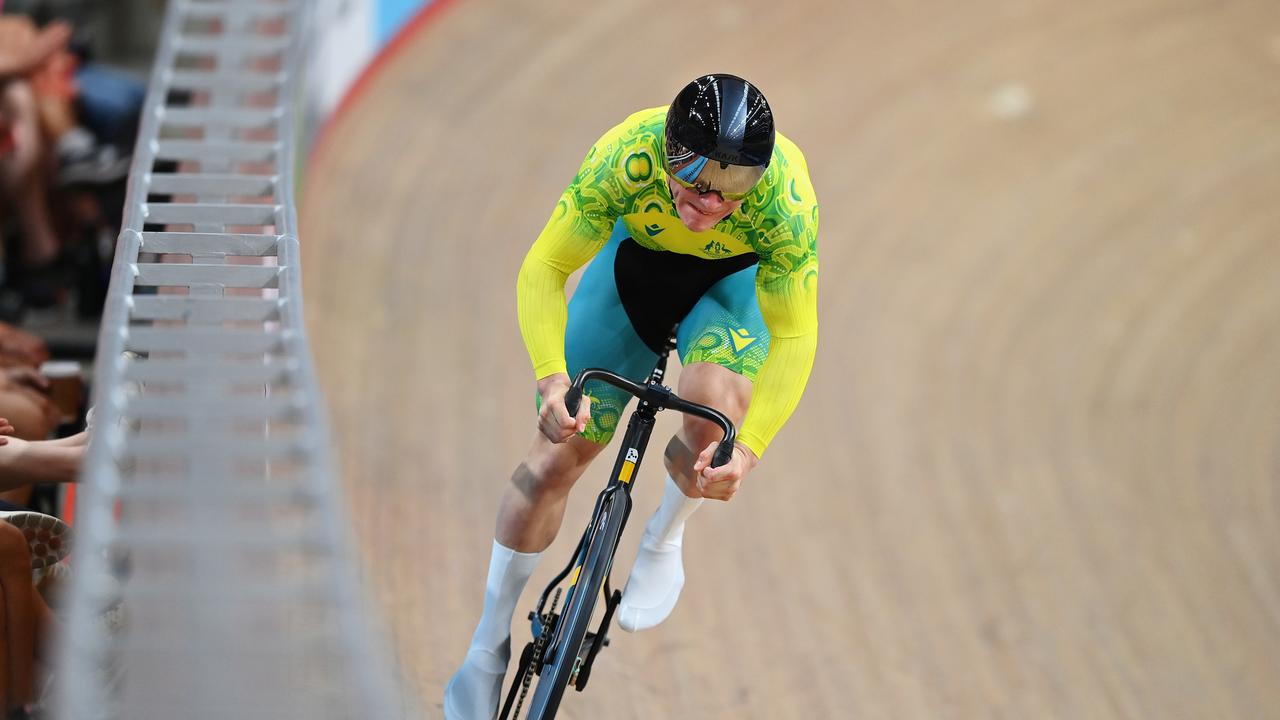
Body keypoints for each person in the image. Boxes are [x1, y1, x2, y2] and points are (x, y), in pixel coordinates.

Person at [445, 74, 819, 719]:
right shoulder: (628, 156)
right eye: (696, 180)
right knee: (554, 462)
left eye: (733, 190)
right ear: (670, 151)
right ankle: (485, 649)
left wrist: (750, 450)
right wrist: (551, 378)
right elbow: (545, 268)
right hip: (633, 269)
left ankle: (664, 535)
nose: (711, 204)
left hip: (729, 288)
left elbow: (795, 333)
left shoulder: (784, 200)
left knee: (716, 417)